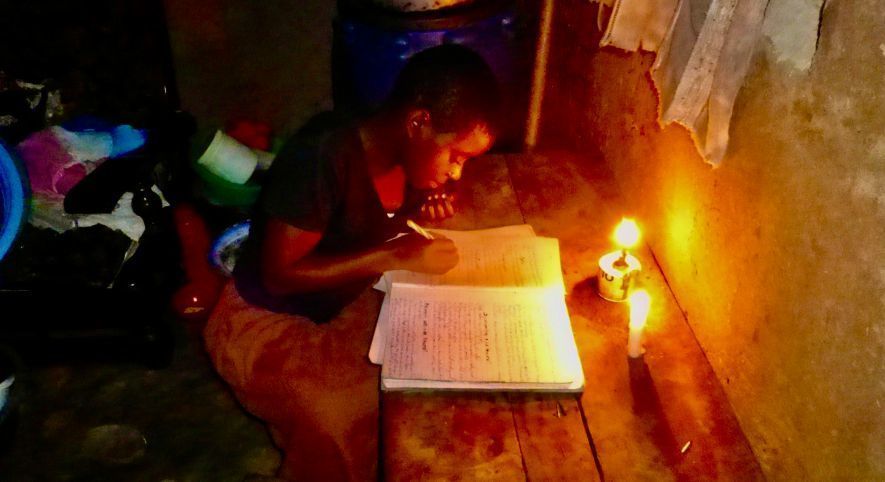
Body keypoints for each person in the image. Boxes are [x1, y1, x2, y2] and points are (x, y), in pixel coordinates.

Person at [204, 44, 501, 481]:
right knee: (339, 422)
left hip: (341, 302)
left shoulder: (404, 156)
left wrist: (427, 203)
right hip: (262, 318)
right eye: (455, 156)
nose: (457, 172)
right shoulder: (322, 155)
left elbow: (376, 215)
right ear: (418, 122)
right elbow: (279, 275)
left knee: (428, 384)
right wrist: (392, 254)